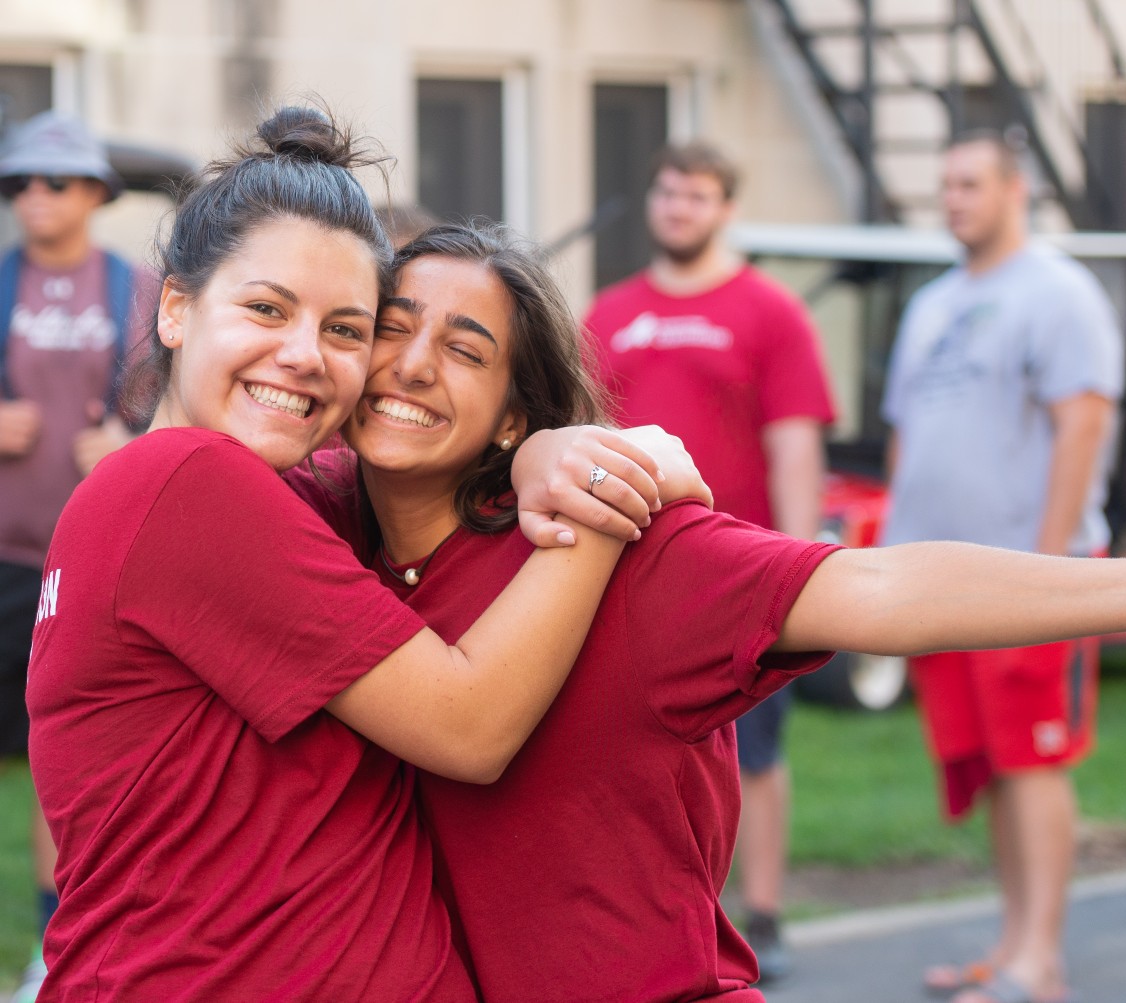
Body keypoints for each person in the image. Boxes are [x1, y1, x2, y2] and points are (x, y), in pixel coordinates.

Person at [292, 219, 1126, 1003]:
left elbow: (880, 588)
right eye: (392, 328)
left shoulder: (613, 549)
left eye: (466, 348)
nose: (413, 364)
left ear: (512, 413)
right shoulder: (320, 552)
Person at [25, 107, 703, 1001]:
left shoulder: (241, 494)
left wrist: (542, 449)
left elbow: (412, 476)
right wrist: (605, 497)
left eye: (346, 329)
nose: (303, 354)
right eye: (266, 308)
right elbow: (466, 725)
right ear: (177, 308)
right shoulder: (187, 482)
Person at [880, 129, 1124, 1003]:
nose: (952, 199)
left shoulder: (1056, 292)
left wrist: (1048, 568)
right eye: (944, 184)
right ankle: (1011, 944)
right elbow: (907, 434)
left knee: (1031, 760)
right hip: (945, 582)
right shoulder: (932, 302)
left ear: (1014, 190)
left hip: (1029, 576)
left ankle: (1039, 962)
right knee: (989, 763)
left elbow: (1082, 423)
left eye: (969, 184)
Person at [583, 140, 836, 980]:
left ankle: (761, 915)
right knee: (631, 767)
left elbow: (794, 447)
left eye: (696, 196)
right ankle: (668, 925)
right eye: (667, 192)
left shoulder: (770, 312)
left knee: (751, 754)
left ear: (726, 209)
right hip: (616, 579)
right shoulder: (609, 313)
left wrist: (802, 567)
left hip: (737, 577)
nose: (678, 207)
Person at [0, 110, 158, 1003]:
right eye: (18, 182)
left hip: (101, 559)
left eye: (54, 181)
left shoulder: (139, 291)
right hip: (6, 556)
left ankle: (57, 945)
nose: (34, 196)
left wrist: (131, 443)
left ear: (96, 193)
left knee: (67, 760)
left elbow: (188, 403)